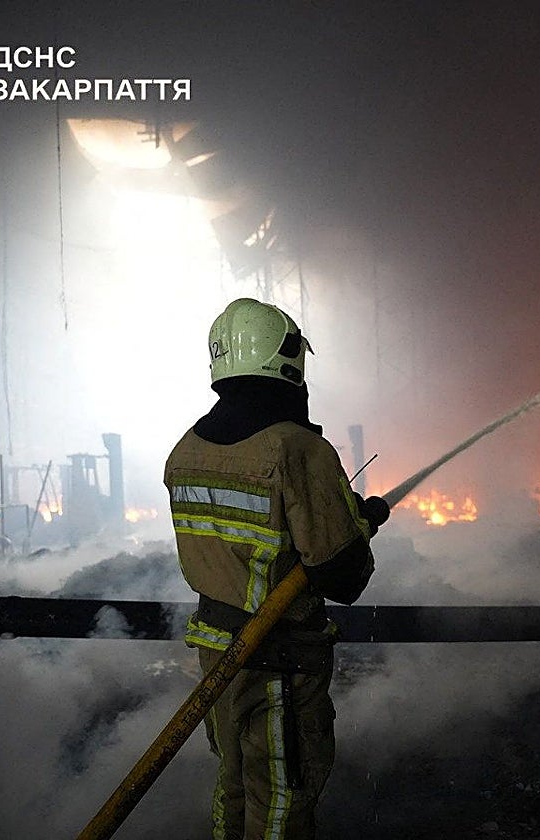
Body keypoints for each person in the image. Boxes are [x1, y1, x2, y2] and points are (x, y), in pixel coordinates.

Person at [164, 298, 389, 840]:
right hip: (278, 655)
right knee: (284, 794)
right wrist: (360, 522)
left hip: (217, 650)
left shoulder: (186, 449)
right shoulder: (297, 448)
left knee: (235, 783)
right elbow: (340, 574)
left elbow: (247, 543)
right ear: (288, 361)